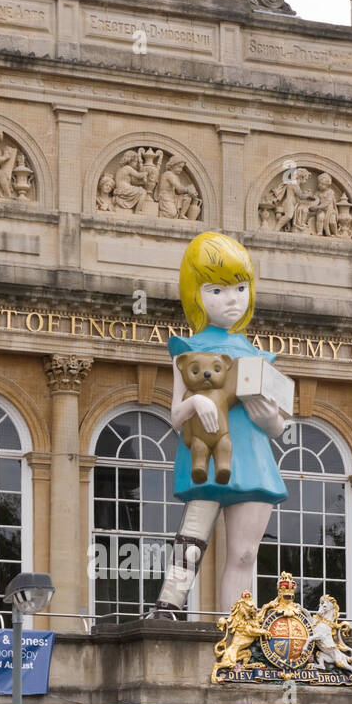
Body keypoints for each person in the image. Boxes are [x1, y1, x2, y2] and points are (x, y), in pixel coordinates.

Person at [150, 231, 288, 616]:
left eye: (240, 288)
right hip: (204, 452)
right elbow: (175, 417)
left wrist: (269, 417)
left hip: (253, 456)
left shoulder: (260, 357)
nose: (232, 299)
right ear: (197, 295)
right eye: (217, 290)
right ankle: (168, 605)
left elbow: (278, 426)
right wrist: (195, 400)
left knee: (245, 554)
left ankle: (236, 634)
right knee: (191, 539)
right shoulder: (187, 348)